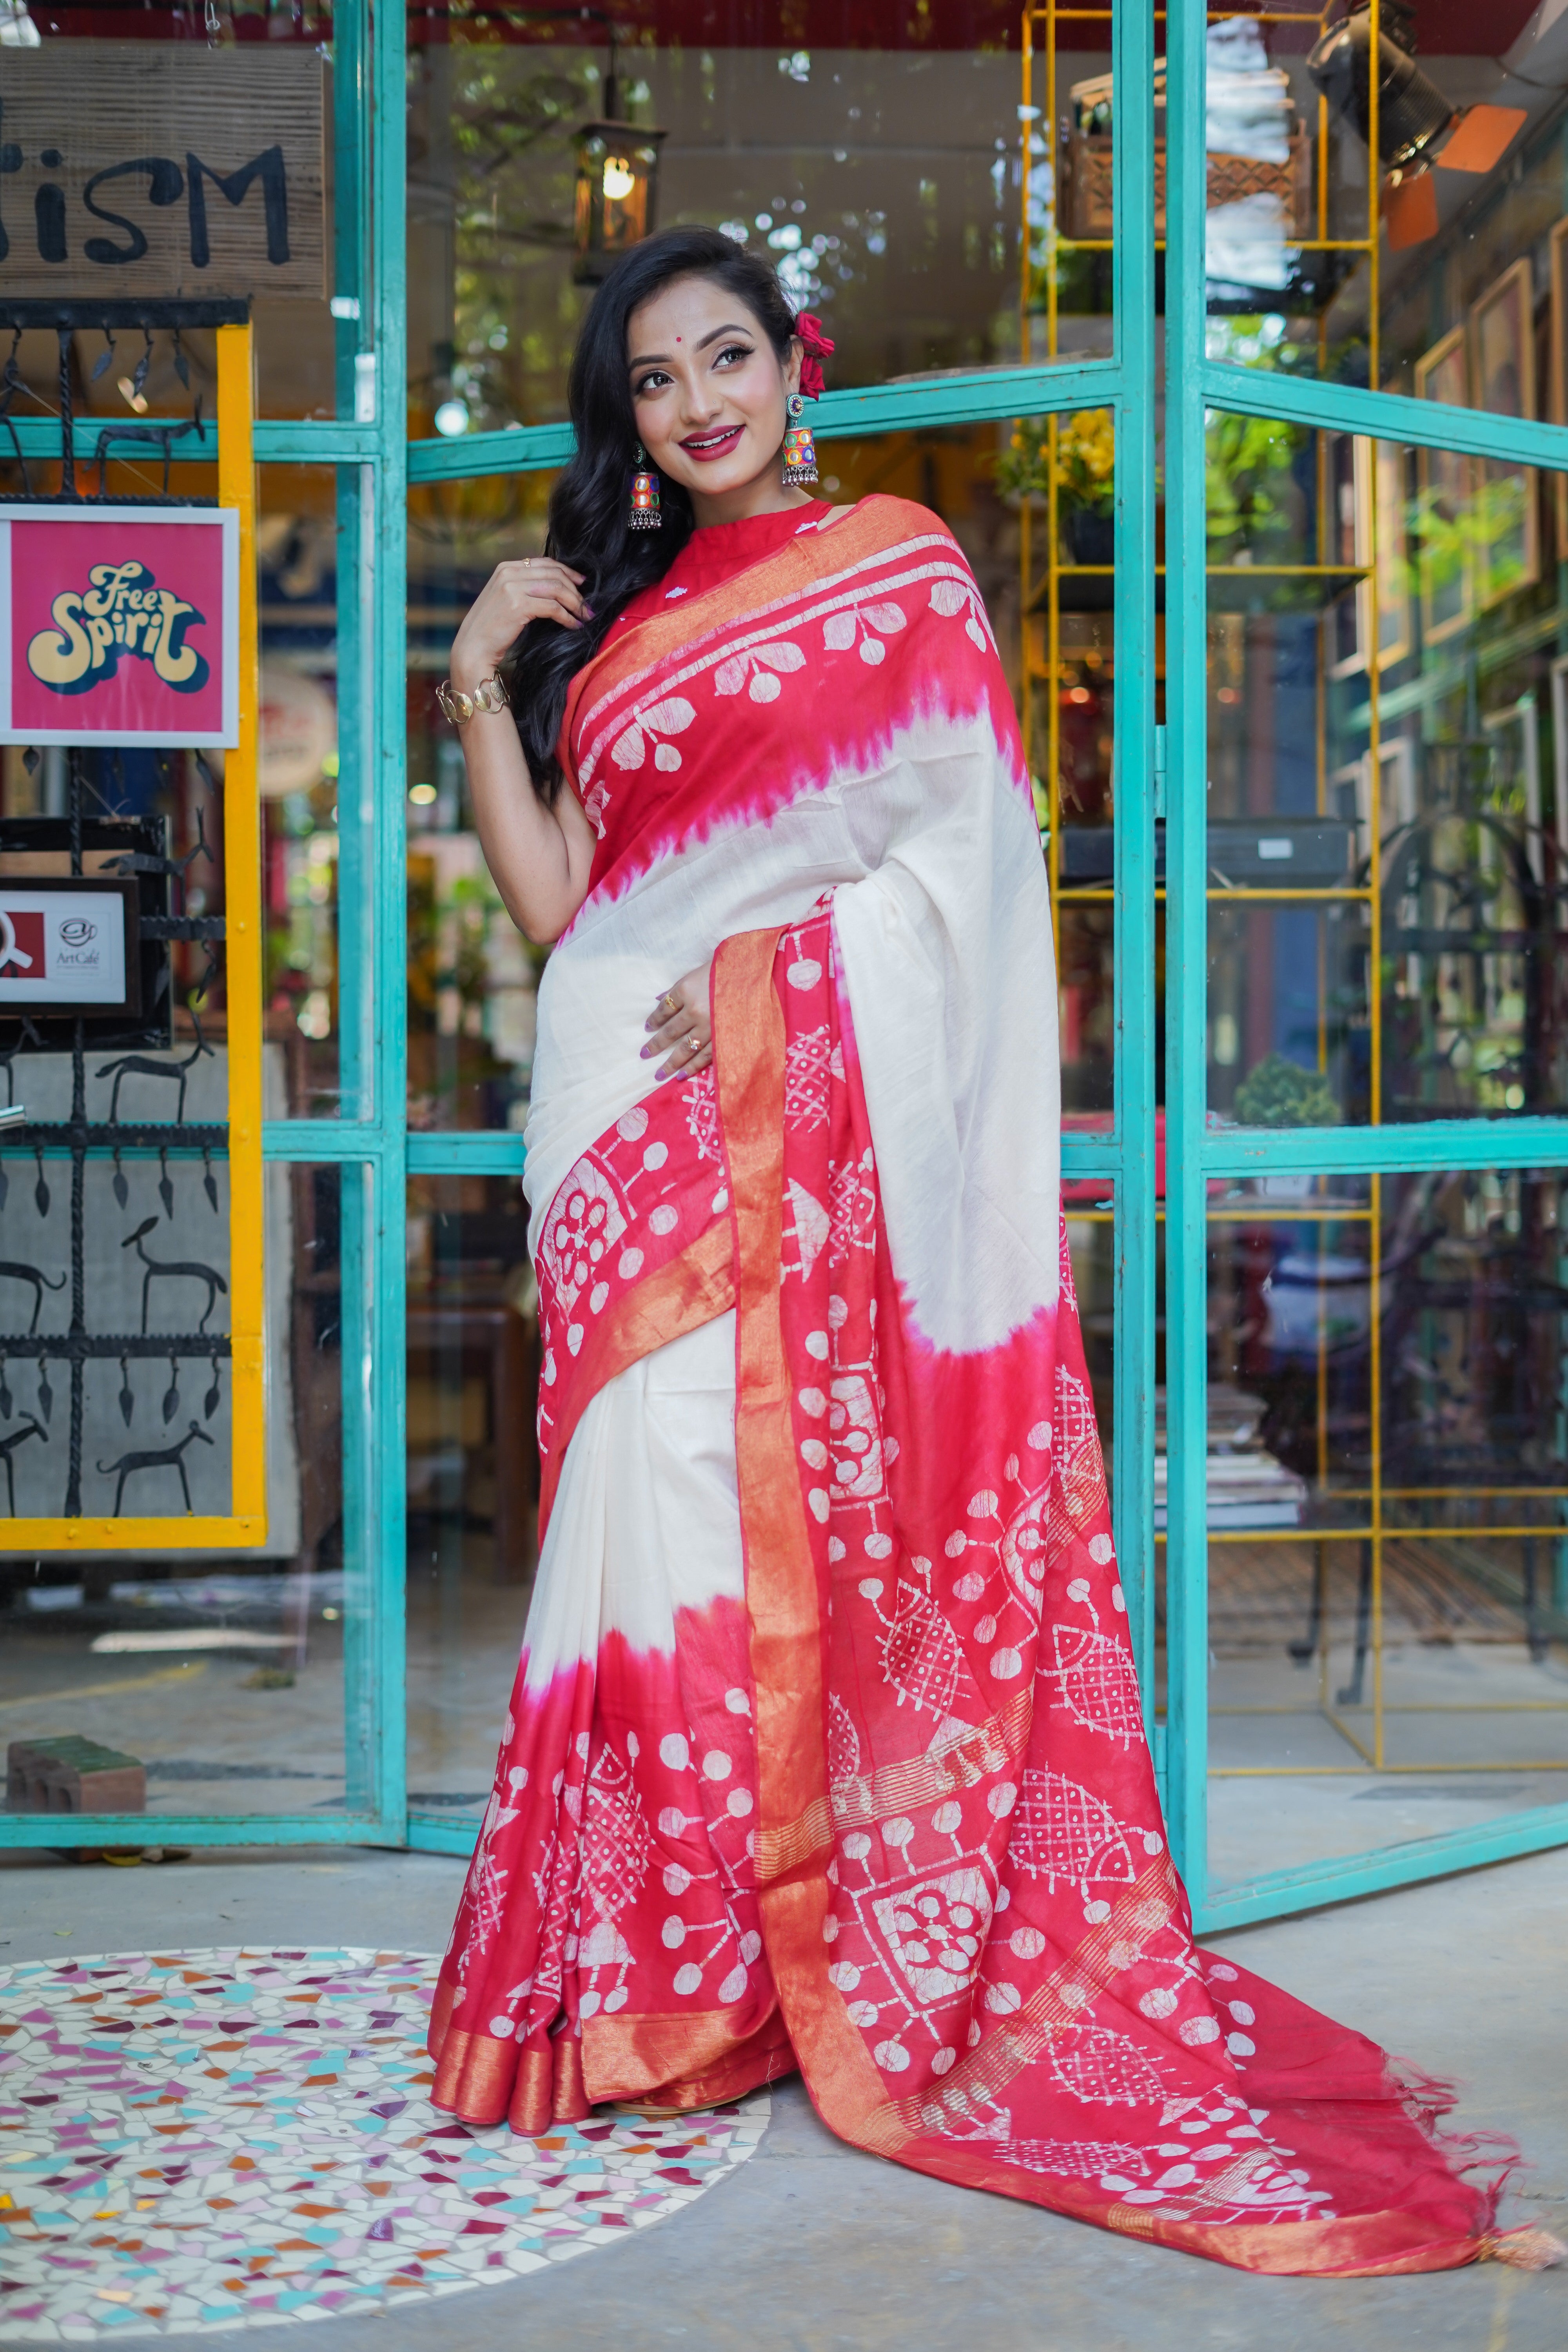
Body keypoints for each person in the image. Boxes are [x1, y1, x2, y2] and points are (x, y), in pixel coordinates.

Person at [426, 225, 1557, 2276]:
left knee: (741, 1506)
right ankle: (666, 1976)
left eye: (728, 358)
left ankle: (769, 1975)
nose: (700, 405)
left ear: (795, 365)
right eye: (661, 383)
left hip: (807, 1099)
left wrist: (779, 972)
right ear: (634, 424)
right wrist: (479, 697)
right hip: (619, 1116)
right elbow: (563, 915)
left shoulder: (897, 564)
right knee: (652, 1518)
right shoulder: (624, 629)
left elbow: (964, 866)